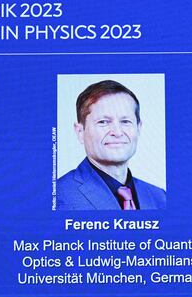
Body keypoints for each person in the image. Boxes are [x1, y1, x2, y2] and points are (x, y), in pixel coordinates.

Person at [57, 80, 166, 210]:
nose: (117, 132)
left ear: (139, 128)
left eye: (125, 121)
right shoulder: (58, 197)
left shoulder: (161, 197)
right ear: (80, 132)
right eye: (103, 122)